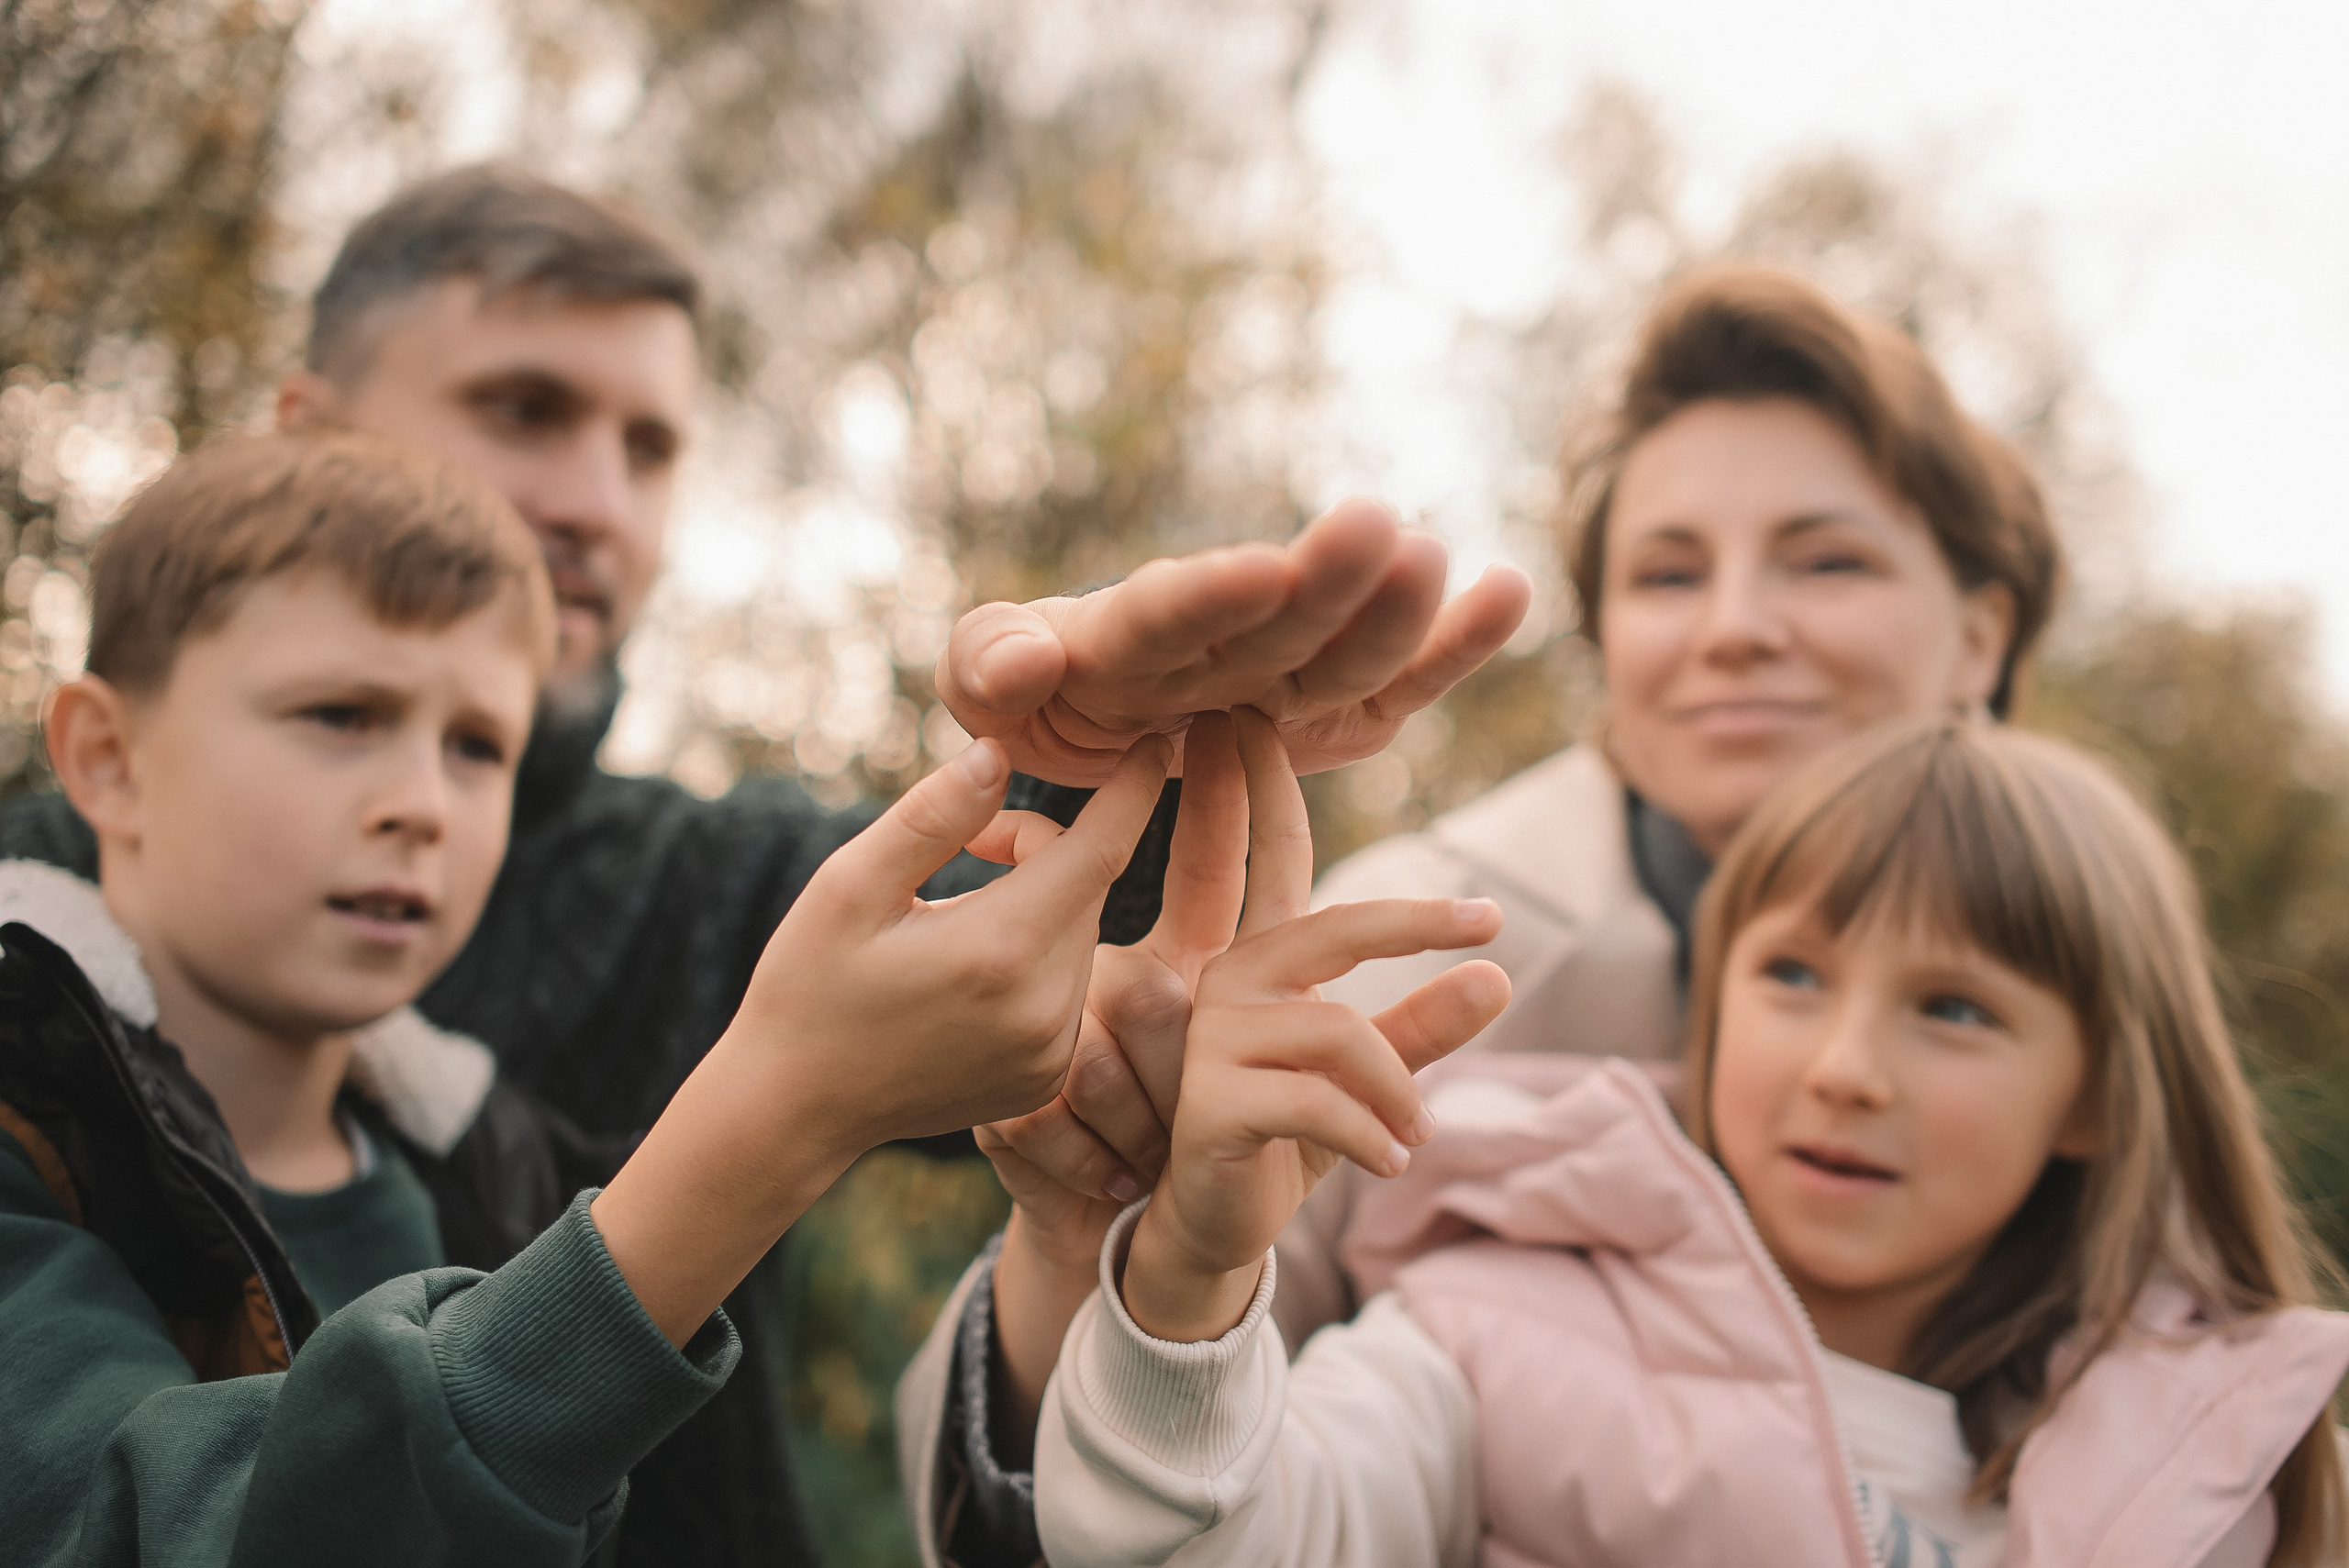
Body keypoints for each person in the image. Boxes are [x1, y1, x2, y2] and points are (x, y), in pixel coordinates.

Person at [0, 431, 1510, 1567]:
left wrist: (1154, 751)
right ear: (105, 758)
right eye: (340, 716)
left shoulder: (484, 1153)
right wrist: (782, 1105)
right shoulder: (29, 1145)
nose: (419, 801)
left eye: (477, 748)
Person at [892, 263, 2072, 1560]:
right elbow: (1148, 1493)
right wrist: (1093, 1231)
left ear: (1981, 631)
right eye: (1668, 576)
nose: (1735, 628)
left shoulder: (2100, 970)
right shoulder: (1411, 939)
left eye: (1828, 561)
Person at [993, 718, 2349, 1567]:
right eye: (1794, 977)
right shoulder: (1494, 1330)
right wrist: (1192, 1281)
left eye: (1953, 1007)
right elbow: (1189, 1545)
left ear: (2098, 1097)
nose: (1845, 1069)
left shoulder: (2226, 1450)